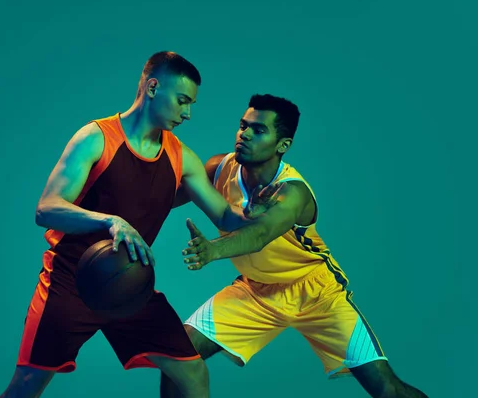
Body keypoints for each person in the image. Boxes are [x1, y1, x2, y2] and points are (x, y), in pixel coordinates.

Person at [0, 52, 280, 398]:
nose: (187, 113)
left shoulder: (181, 157)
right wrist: (110, 221)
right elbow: (46, 208)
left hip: (130, 285)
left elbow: (224, 217)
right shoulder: (96, 138)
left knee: (192, 371)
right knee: (25, 387)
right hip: (70, 284)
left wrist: (253, 210)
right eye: (182, 101)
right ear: (152, 87)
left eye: (191, 105)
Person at [164, 94, 428, 397]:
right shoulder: (218, 169)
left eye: (259, 130)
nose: (245, 134)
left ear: (282, 145)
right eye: (243, 125)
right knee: (178, 355)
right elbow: (162, 200)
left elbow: (261, 234)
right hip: (257, 290)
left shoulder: (293, 192)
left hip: (316, 292)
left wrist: (214, 250)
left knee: (387, 390)